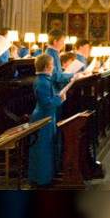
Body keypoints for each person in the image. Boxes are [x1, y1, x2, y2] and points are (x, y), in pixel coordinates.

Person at [28, 54, 66, 188]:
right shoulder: (42, 81)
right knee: (42, 148)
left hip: (47, 116)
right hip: (43, 117)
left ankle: (44, 177)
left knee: (46, 147)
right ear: (46, 67)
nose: (54, 67)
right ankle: (41, 179)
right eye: (52, 65)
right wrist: (60, 99)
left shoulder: (44, 80)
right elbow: (47, 103)